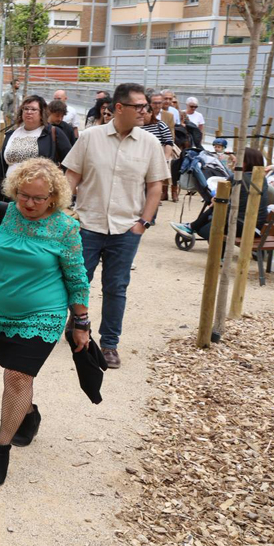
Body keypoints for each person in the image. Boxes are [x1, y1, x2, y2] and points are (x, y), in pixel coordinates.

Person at [0, 158, 89, 487]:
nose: (30, 204)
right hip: (0, 313)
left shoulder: (66, 227)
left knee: (17, 377)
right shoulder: (0, 214)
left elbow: (77, 279)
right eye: (24, 195)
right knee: (17, 380)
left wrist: (81, 322)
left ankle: (0, 448)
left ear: (53, 197)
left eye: (38, 198)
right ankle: (28, 414)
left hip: (44, 315)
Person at [63, 83, 168, 370]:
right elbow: (71, 177)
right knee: (77, 281)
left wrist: (143, 223)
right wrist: (63, 213)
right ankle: (77, 322)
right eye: (140, 106)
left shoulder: (150, 144)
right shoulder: (89, 138)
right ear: (119, 107)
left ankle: (109, 343)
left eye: (146, 106)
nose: (145, 111)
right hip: (86, 225)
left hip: (125, 229)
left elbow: (155, 187)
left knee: (116, 287)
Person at [0, 95, 71, 204]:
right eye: (26, 108)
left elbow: (70, 161)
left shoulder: (53, 133)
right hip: (8, 194)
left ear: (42, 113)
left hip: (37, 198)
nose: (29, 112)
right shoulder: (12, 134)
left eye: (33, 109)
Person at [172, 148, 272, 240]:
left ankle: (191, 227)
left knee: (215, 209)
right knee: (218, 205)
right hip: (258, 228)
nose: (234, 160)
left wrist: (214, 200)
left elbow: (219, 199)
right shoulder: (263, 180)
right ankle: (191, 226)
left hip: (240, 227)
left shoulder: (236, 178)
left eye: (238, 158)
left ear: (245, 162)